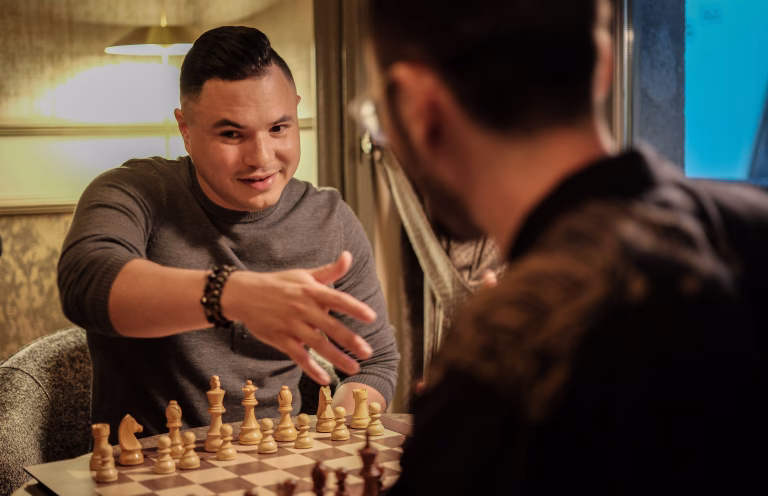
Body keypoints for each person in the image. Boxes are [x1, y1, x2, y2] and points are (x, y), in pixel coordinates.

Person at [366, 0, 768, 494]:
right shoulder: (752, 220)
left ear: (418, 105)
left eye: (378, 114)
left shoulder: (507, 357)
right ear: (602, 65)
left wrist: (462, 408)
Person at [57, 26, 399, 443]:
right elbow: (85, 283)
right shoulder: (132, 191)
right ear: (185, 129)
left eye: (278, 128)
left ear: (296, 112)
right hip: (150, 472)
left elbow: (375, 363)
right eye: (231, 134)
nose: (261, 158)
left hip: (278, 460)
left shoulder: (329, 218)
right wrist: (232, 294)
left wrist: (337, 423)